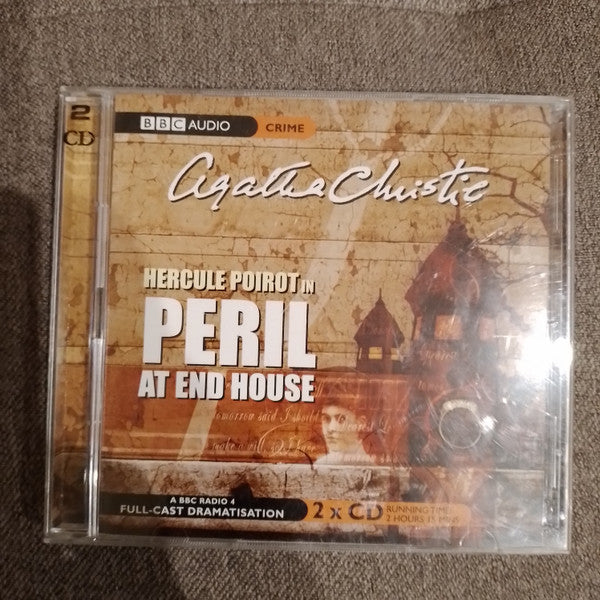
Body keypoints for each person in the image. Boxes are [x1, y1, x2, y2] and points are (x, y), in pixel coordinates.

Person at [315, 383, 378, 465]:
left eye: (341, 419)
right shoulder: (320, 465)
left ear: (361, 424)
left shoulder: (370, 468)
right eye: (326, 419)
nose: (331, 428)